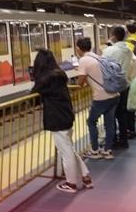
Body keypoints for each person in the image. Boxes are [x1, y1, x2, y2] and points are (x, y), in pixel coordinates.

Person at [32, 49, 93, 193]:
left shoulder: (45, 79)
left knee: (65, 152)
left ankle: (71, 183)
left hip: (57, 119)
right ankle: (85, 176)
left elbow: (34, 95)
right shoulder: (59, 74)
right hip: (66, 115)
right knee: (69, 149)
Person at [76, 37, 120, 160]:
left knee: (91, 121)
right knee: (109, 123)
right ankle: (107, 150)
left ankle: (95, 150)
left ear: (78, 48)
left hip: (101, 97)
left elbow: (80, 82)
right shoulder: (98, 57)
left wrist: (79, 83)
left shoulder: (84, 60)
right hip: (113, 94)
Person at [102, 26, 136, 147]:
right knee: (122, 113)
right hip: (124, 85)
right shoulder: (128, 49)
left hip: (112, 87)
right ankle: (123, 139)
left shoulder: (109, 51)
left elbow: (103, 67)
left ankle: (113, 139)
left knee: (110, 114)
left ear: (114, 36)